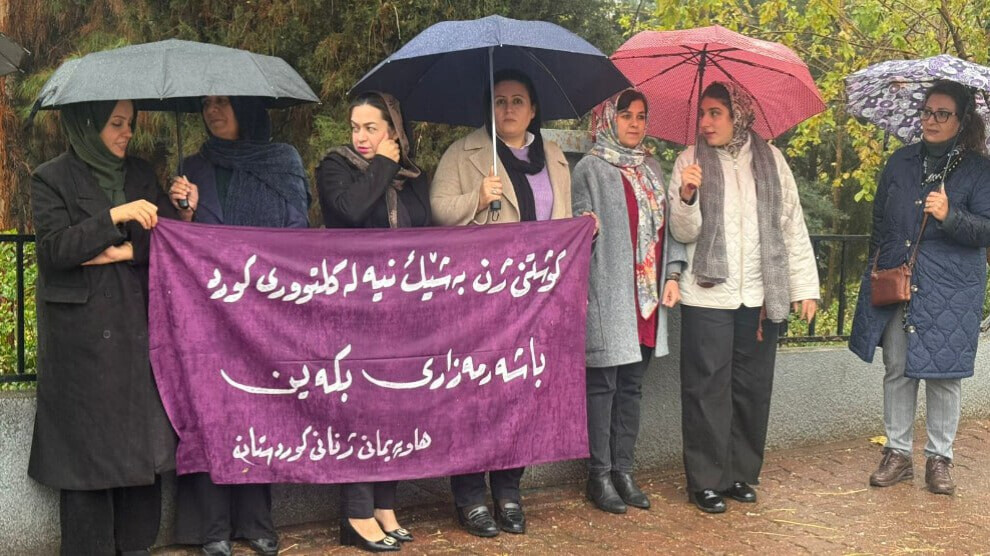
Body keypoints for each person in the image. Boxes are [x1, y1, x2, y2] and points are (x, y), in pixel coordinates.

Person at [29, 99, 178, 555]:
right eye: (116, 123)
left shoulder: (141, 174)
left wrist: (125, 250)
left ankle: (135, 545)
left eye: (130, 123)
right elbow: (55, 251)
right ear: (89, 125)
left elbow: (169, 237)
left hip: (136, 328)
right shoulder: (51, 178)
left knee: (139, 450)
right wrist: (115, 216)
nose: (127, 132)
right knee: (86, 461)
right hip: (82, 342)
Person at [429, 69, 573, 536]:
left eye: (517, 101)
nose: (507, 109)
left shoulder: (553, 156)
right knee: (475, 398)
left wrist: (581, 230)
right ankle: (471, 497)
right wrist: (476, 197)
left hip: (537, 300)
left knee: (520, 396)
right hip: (481, 300)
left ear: (533, 110)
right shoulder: (464, 153)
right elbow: (438, 210)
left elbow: (560, 220)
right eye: (499, 101)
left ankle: (509, 491)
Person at [668, 81, 819, 514]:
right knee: (705, 390)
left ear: (738, 115)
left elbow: (791, 225)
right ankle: (705, 480)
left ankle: (738, 474)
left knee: (751, 389)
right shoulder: (689, 160)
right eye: (703, 113)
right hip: (707, 294)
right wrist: (687, 197)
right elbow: (681, 233)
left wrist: (804, 287)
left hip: (758, 294)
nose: (705, 122)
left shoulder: (772, 160)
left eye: (715, 112)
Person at [168, 95, 310, 556]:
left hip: (265, 310)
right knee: (211, 412)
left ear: (246, 107)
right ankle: (213, 529)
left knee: (258, 410)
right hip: (207, 312)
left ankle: (256, 523)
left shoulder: (282, 161)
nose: (213, 110)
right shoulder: (192, 168)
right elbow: (179, 245)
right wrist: (184, 213)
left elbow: (298, 231)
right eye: (207, 103)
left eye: (224, 102)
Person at [849, 79, 990, 495]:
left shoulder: (979, 170)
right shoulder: (901, 162)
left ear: (961, 120)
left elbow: (986, 230)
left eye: (942, 113)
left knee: (944, 375)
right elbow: (879, 223)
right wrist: (876, 271)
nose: (931, 120)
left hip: (952, 288)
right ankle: (897, 454)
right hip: (901, 280)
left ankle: (939, 459)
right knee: (897, 366)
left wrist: (950, 215)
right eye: (927, 111)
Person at [315, 91, 430, 552]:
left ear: (393, 131)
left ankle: (385, 506)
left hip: (403, 309)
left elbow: (430, 232)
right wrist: (381, 163)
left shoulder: (413, 177)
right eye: (355, 127)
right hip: (355, 308)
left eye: (371, 128)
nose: (360, 137)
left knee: (397, 407)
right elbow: (349, 210)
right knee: (362, 408)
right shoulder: (336, 166)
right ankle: (357, 513)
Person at [571, 89, 686, 514]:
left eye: (641, 116)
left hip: (646, 297)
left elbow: (667, 228)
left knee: (632, 387)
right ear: (608, 120)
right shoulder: (590, 168)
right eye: (626, 116)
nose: (635, 124)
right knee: (603, 386)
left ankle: (624, 471)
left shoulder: (651, 167)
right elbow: (577, 228)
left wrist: (672, 274)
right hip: (608, 292)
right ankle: (598, 476)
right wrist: (586, 226)